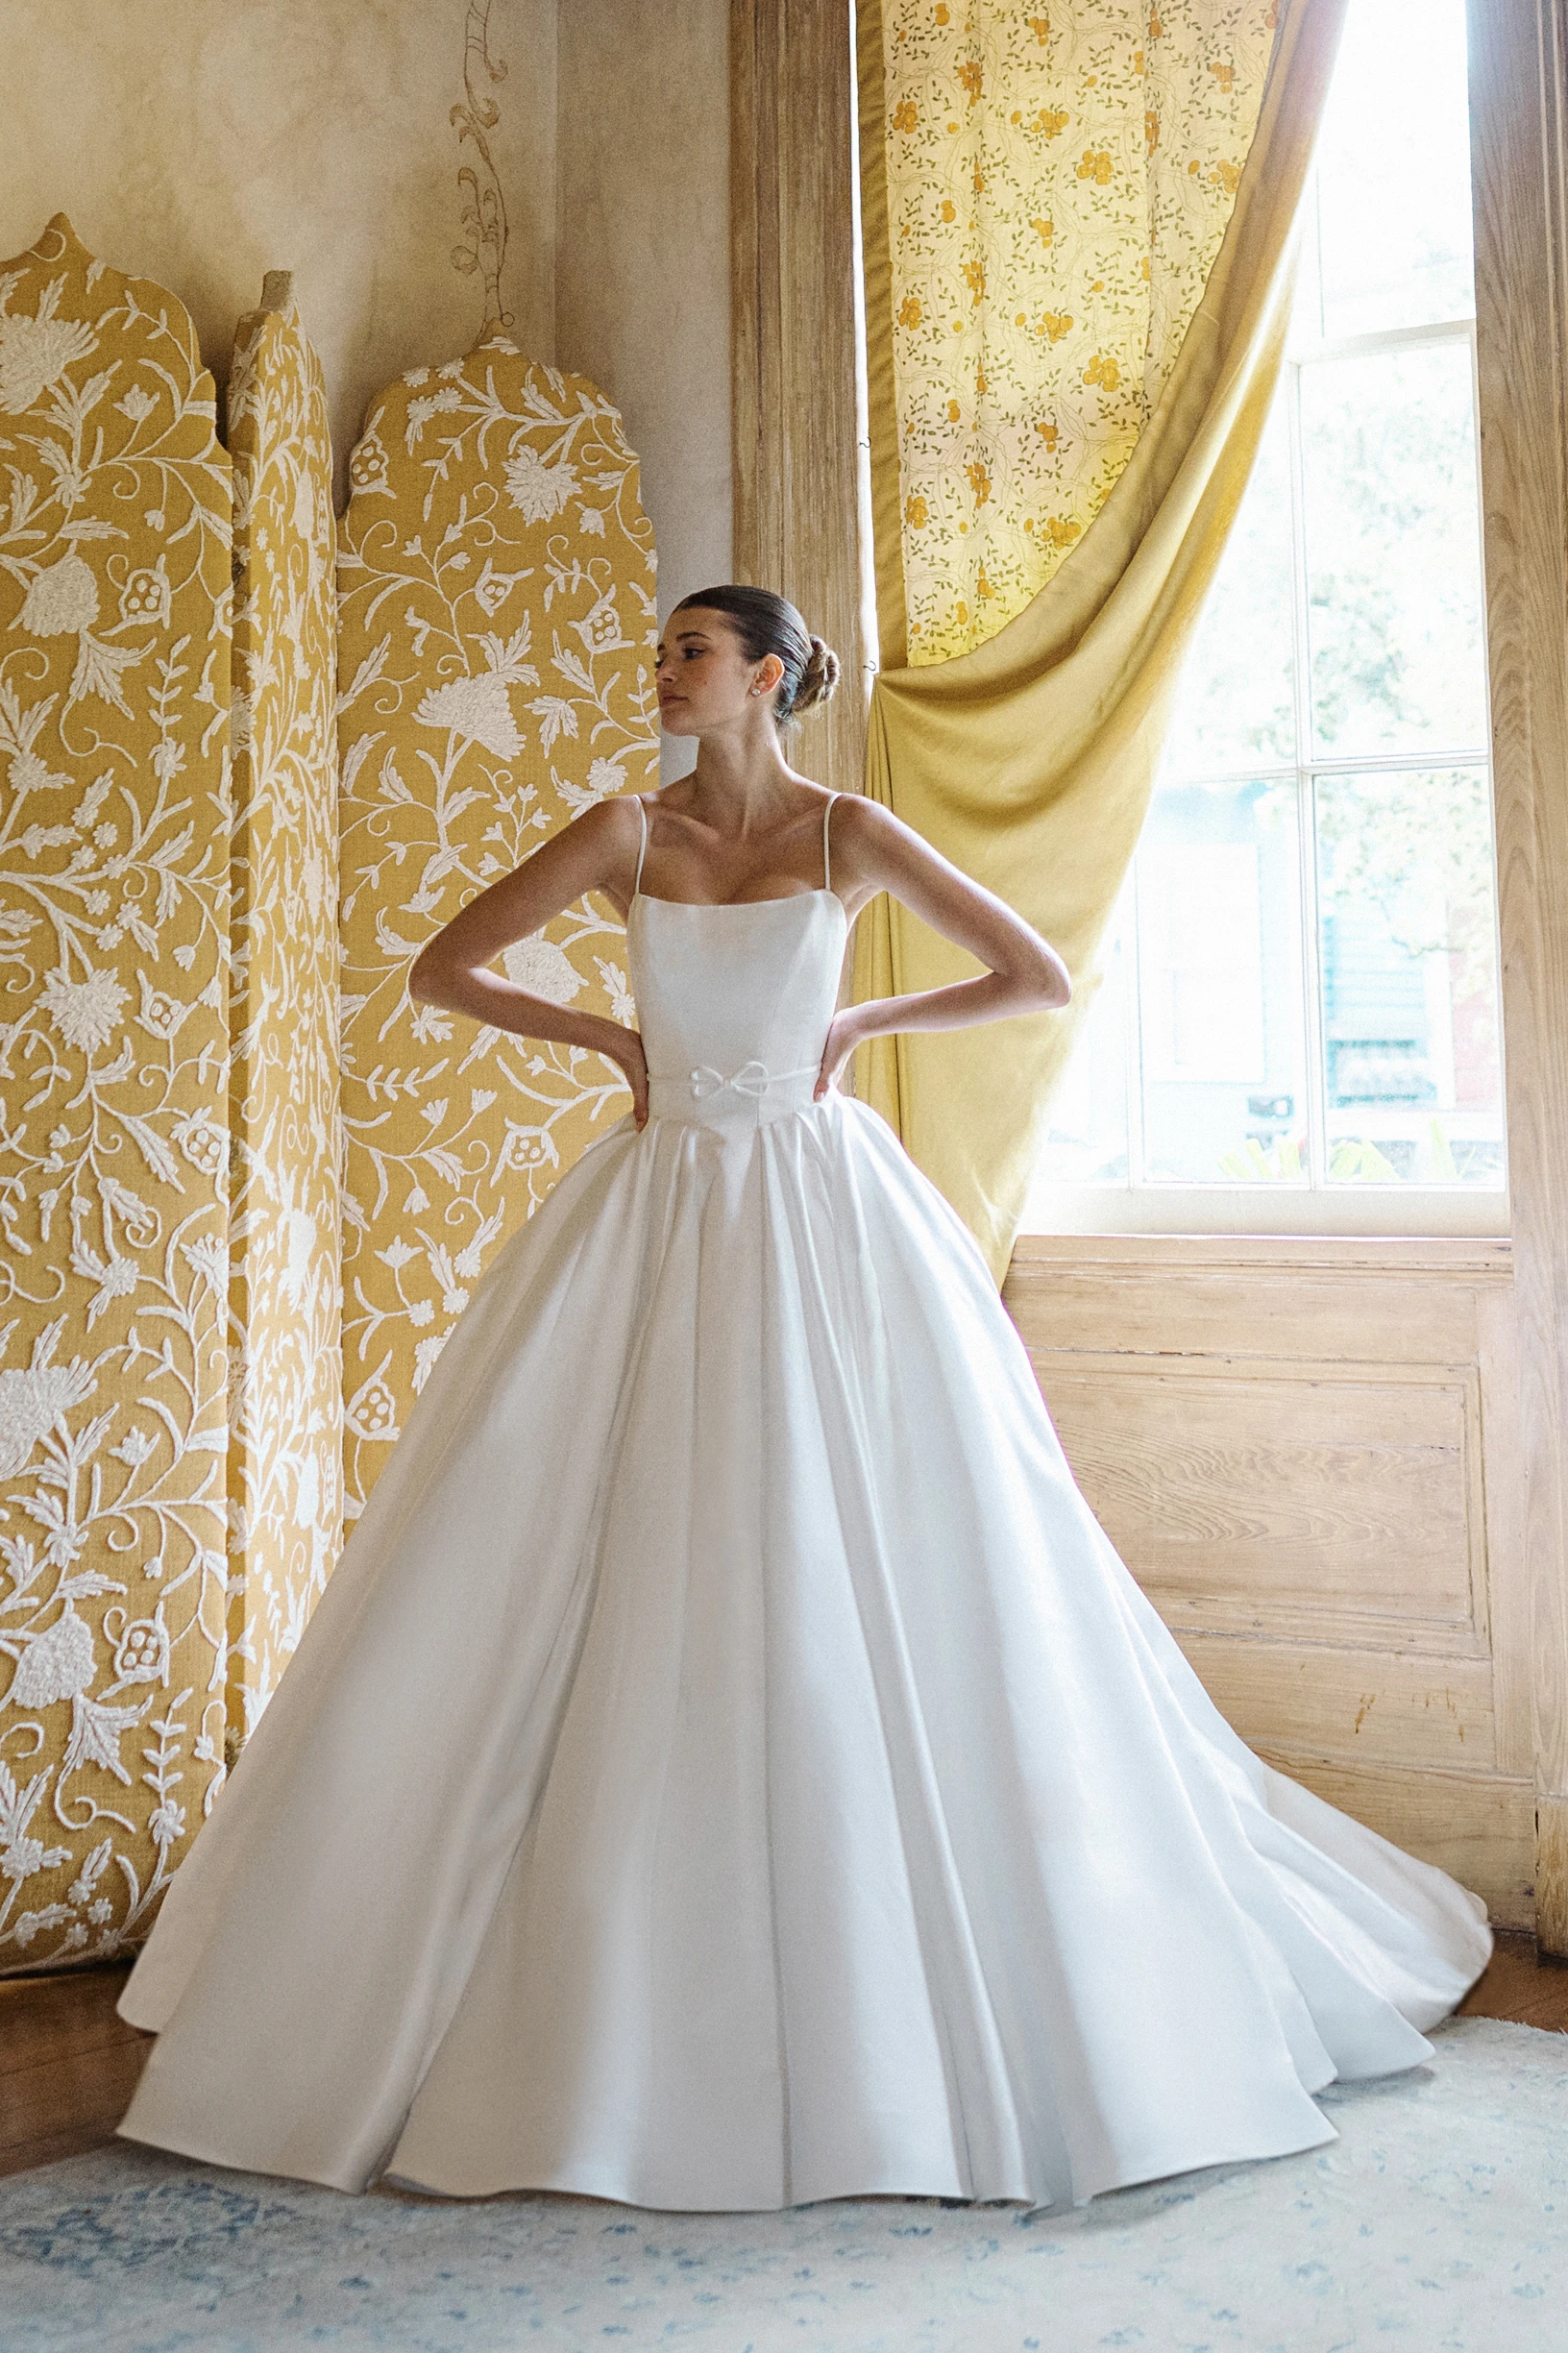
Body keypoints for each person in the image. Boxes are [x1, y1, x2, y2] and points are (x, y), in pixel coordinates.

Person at [117, 585, 1490, 2211]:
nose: (662, 669)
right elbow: (444, 968)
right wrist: (610, 1045)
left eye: (690, 650)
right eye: (662, 651)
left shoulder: (848, 832)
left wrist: (862, 1017)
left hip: (826, 1214)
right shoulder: (624, 830)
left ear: (765, 676)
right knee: (583, 1542)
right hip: (657, 1204)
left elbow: (1030, 972)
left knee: (879, 1545)